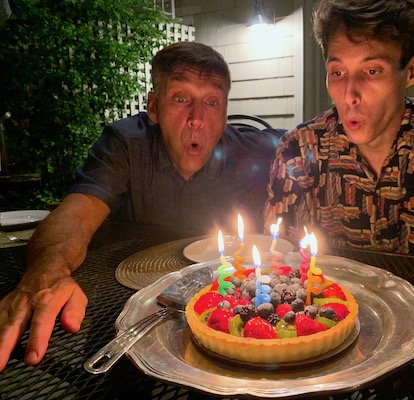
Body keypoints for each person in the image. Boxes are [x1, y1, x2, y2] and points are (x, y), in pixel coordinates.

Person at [0, 41, 281, 371]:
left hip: (230, 313)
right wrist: (47, 273)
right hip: (122, 304)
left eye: (211, 102)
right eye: (180, 98)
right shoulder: (127, 145)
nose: (197, 119)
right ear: (153, 106)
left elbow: (314, 140)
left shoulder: (253, 150)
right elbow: (76, 213)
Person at [263, 0, 414, 269]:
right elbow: (277, 260)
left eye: (372, 71)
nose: (349, 95)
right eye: (338, 72)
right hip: (331, 307)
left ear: (412, 71)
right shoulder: (299, 149)